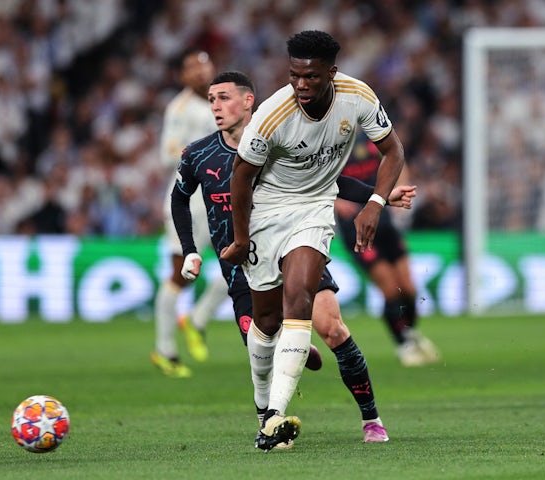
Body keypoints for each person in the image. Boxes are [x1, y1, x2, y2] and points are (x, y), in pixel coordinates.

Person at [171, 71, 416, 449]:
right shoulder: (199, 154)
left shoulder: (279, 133)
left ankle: (371, 418)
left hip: (295, 242)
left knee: (332, 327)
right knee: (263, 344)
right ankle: (271, 415)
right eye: (211, 100)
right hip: (243, 268)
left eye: (224, 98)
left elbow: (328, 182)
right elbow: (178, 198)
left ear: (249, 100)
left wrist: (379, 195)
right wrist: (190, 248)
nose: (216, 107)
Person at [150, 48, 229, 378]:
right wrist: (204, 157)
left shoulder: (224, 99)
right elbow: (168, 156)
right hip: (190, 199)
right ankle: (165, 349)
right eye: (191, 69)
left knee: (242, 260)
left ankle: (197, 319)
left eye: (204, 65)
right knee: (181, 274)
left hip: (223, 196)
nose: (199, 72)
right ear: (182, 77)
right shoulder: (179, 109)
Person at [336, 132, 440, 366]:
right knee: (392, 290)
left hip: (383, 217)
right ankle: (404, 344)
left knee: (410, 289)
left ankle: (410, 335)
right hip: (356, 227)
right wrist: (336, 201)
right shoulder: (330, 142)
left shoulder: (370, 136)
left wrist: (400, 184)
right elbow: (315, 177)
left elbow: (397, 157)